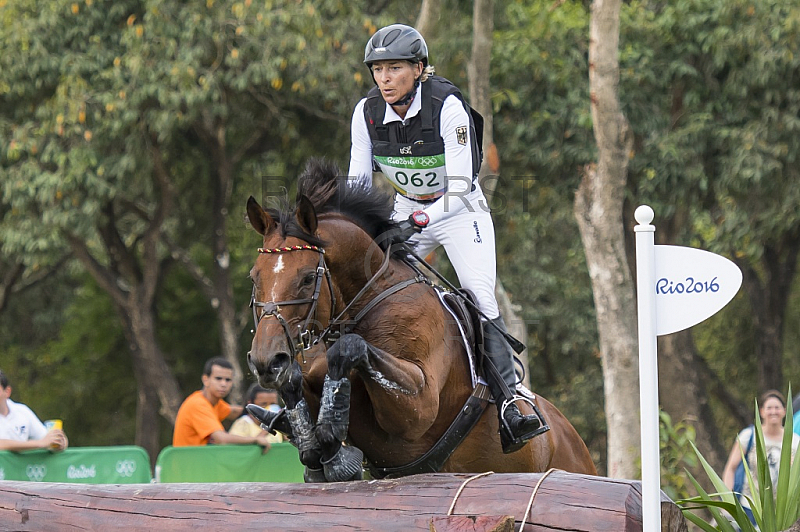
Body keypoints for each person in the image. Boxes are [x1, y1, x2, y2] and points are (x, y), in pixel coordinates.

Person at [347, 23, 546, 454]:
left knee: (479, 295)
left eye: (394, 68)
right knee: (359, 289)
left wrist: (417, 220)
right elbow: (358, 184)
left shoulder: (447, 105)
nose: (384, 78)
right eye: (378, 69)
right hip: (405, 207)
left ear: (418, 69)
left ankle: (512, 399)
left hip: (458, 210)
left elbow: (458, 187)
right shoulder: (366, 113)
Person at [722, 390, 800, 523]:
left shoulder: (795, 440)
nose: (773, 411)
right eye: (769, 408)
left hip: (780, 512)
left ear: (784, 411)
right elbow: (731, 468)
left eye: (777, 407)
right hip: (748, 507)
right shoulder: (749, 436)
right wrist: (728, 501)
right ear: (762, 411)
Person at [173, 357, 273, 449]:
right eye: (218, 379)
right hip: (187, 465)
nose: (223, 384)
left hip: (200, 462)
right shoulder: (198, 404)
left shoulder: (215, 403)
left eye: (228, 380)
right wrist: (256, 439)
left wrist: (268, 413)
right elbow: (222, 440)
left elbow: (234, 411)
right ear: (205, 380)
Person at [0, 369, 69, 452]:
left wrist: (59, 442)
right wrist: (40, 443)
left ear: (7, 392)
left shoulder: (22, 411)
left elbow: (45, 438)